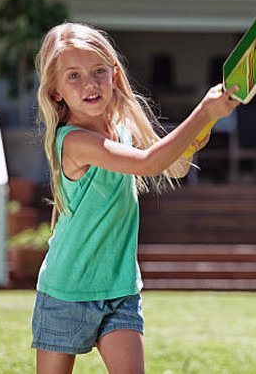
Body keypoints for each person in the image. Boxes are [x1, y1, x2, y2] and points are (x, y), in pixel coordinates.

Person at [31, 22, 239, 373]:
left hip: (119, 288)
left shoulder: (123, 127)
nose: (90, 84)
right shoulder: (74, 141)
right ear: (55, 93)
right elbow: (148, 163)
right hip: (65, 290)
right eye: (74, 77)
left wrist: (201, 130)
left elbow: (173, 169)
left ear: (114, 75)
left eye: (99, 71)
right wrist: (202, 111)